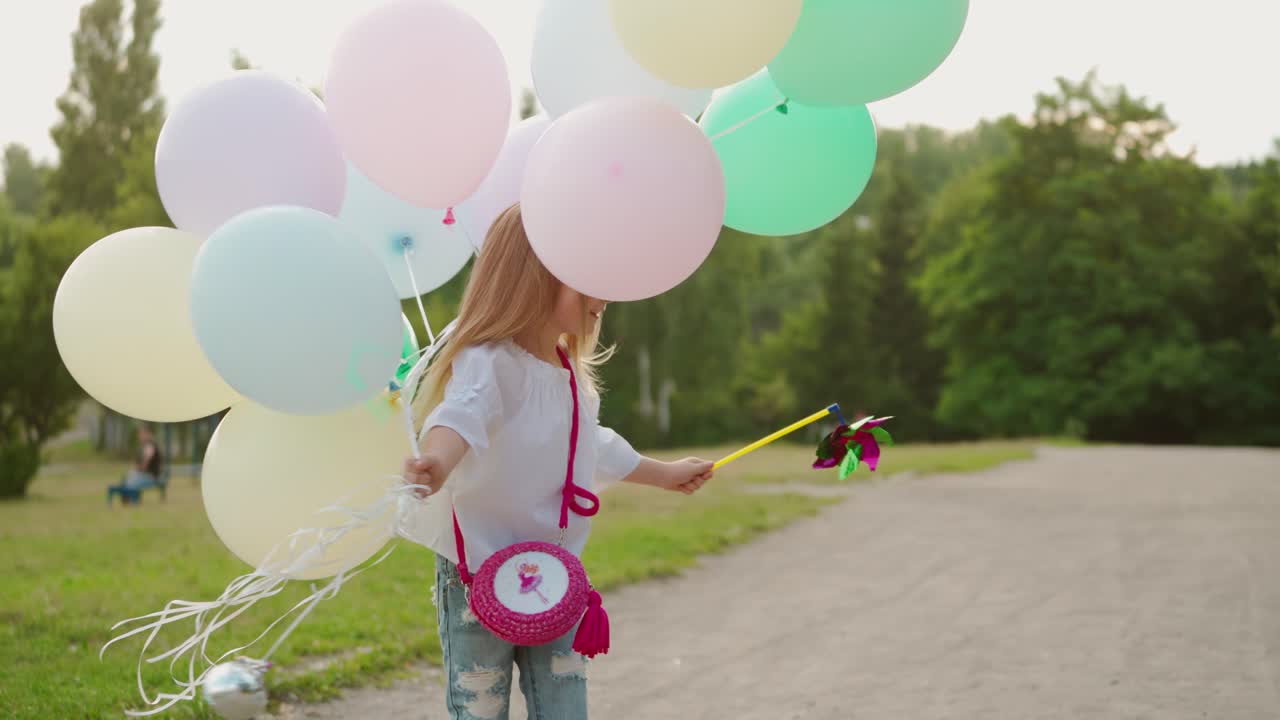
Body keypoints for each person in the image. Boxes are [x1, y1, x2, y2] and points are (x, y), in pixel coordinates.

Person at [402, 204, 714, 719]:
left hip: (551, 573)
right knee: (479, 702)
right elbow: (460, 415)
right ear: (536, 278)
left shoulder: (570, 374)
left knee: (565, 703)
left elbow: (595, 445)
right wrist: (435, 461)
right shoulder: (488, 360)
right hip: (475, 572)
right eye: (588, 279)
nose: (604, 298)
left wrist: (664, 473)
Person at [106, 426, 164, 505]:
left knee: (130, 481)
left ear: (148, 434)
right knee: (128, 479)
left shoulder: (150, 445)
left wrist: (138, 469)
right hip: (146, 475)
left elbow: (146, 462)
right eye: (140, 434)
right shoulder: (146, 446)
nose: (140, 436)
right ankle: (129, 500)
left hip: (151, 476)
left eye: (142, 434)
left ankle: (132, 501)